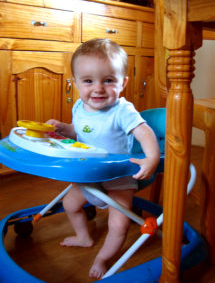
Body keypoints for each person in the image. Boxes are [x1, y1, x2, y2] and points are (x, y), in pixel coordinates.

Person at [47, 38, 160, 279]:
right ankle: (83, 236)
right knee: (70, 204)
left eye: (108, 81)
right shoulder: (79, 106)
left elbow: (145, 132)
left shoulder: (123, 111)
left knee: (118, 224)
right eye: (88, 81)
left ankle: (103, 257)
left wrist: (152, 158)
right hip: (88, 174)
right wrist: (61, 129)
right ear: (75, 83)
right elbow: (78, 131)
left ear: (123, 83)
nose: (98, 89)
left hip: (117, 176)